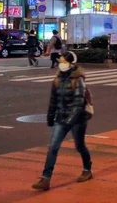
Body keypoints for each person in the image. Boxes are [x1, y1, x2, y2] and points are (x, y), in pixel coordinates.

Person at [32, 51, 92, 191]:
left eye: (64, 61)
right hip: (61, 117)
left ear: (71, 63)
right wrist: (50, 116)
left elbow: (78, 103)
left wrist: (69, 121)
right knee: (53, 147)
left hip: (77, 119)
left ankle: (87, 169)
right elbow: (53, 100)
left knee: (79, 146)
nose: (61, 64)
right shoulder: (57, 78)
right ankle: (45, 179)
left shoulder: (78, 79)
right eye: (60, 61)